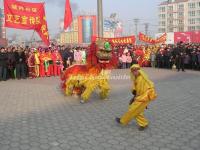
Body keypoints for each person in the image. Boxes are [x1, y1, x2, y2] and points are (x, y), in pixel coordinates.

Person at [116, 64, 157, 131]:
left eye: (135, 71)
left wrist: (137, 98)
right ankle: (144, 124)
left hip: (143, 98)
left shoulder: (141, 79)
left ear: (139, 70)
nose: (134, 72)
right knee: (138, 112)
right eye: (132, 71)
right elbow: (137, 90)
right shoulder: (137, 78)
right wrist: (134, 95)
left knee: (132, 109)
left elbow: (145, 90)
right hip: (141, 97)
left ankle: (122, 120)